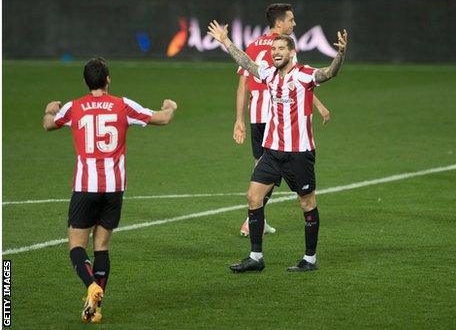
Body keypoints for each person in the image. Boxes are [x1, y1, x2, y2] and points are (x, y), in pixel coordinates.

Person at [42, 58, 177, 322]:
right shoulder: (122, 105)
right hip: (114, 187)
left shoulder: (74, 107)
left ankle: (90, 286)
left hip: (85, 186)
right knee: (101, 247)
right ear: (108, 80)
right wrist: (169, 107)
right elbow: (161, 119)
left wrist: (49, 109)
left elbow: (49, 124)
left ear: (85, 82)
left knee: (76, 245)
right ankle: (95, 307)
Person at [208, 20, 348, 272]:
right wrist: (226, 41)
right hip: (272, 151)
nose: (275, 53)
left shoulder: (304, 74)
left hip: (299, 154)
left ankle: (310, 260)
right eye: (273, 50)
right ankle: (256, 257)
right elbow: (246, 63)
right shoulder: (269, 74)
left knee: (306, 203)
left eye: (281, 49)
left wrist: (340, 54)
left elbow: (329, 73)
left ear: (292, 52)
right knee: (253, 197)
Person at [234, 3, 331, 237]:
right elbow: (297, 84)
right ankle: (252, 220)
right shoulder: (285, 48)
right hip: (280, 116)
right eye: (290, 20)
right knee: (272, 169)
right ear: (279, 23)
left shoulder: (254, 45)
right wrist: (317, 105)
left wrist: (239, 119)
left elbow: (243, 84)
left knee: (262, 167)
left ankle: (257, 217)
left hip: (256, 114)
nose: (293, 24)